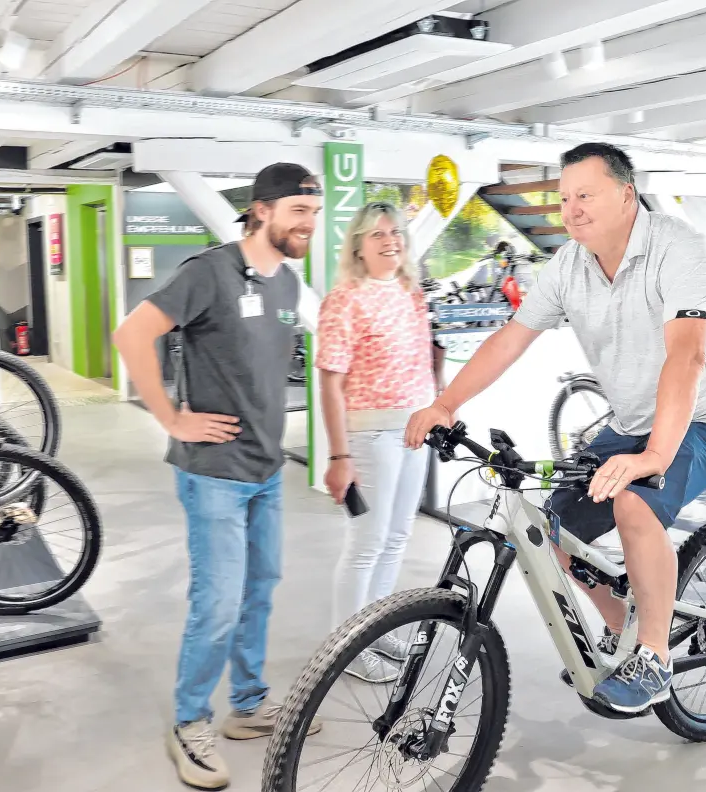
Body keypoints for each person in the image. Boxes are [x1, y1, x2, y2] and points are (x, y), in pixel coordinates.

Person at [405, 142, 706, 714]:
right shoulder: (569, 264)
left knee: (635, 504)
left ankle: (654, 659)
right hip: (631, 418)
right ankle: (627, 630)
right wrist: (445, 403)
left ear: (625, 194)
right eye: (564, 199)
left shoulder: (676, 247)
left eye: (584, 195)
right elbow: (511, 337)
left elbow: (688, 355)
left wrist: (654, 458)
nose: (571, 209)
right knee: (551, 533)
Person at [113, 163, 324, 791]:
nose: (309, 223)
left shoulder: (287, 283)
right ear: (262, 210)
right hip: (214, 474)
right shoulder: (209, 271)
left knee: (261, 586)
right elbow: (132, 334)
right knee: (218, 601)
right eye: (298, 211)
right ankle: (189, 721)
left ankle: (251, 704)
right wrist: (171, 418)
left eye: (314, 212)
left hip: (264, 467)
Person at [315, 202, 441, 684]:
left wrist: (438, 407)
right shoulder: (345, 298)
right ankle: (345, 645)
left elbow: (424, 361)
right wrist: (339, 455)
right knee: (367, 542)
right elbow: (329, 383)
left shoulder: (411, 293)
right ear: (358, 247)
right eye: (377, 234)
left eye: (396, 232)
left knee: (396, 538)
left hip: (415, 430)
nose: (390, 240)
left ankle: (375, 627)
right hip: (370, 435)